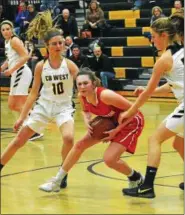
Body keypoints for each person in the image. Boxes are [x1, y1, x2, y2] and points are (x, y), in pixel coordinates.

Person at [39, 68, 145, 193]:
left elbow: (135, 110)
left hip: (131, 122)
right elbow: (85, 111)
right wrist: (87, 121)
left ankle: (136, 178)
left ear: (93, 83)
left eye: (85, 83)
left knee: (110, 159)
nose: (82, 86)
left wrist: (116, 130)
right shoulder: (82, 96)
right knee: (79, 146)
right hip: (111, 121)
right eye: (79, 84)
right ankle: (57, 181)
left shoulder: (105, 95)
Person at [0, 27, 79, 189]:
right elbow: (33, 93)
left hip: (63, 108)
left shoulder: (70, 65)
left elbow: (85, 89)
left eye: (61, 43)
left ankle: (62, 175)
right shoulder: (40, 66)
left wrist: (89, 114)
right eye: (54, 43)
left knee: (69, 138)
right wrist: (22, 116)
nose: (58, 46)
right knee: (19, 140)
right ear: (47, 47)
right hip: (43, 107)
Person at [119, 15, 184, 198]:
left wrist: (131, 111)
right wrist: (151, 90)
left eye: (153, 36)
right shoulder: (181, 51)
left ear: (163, 35)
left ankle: (147, 186)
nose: (152, 40)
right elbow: (174, 84)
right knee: (179, 143)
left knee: (154, 139)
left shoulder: (164, 59)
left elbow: (147, 94)